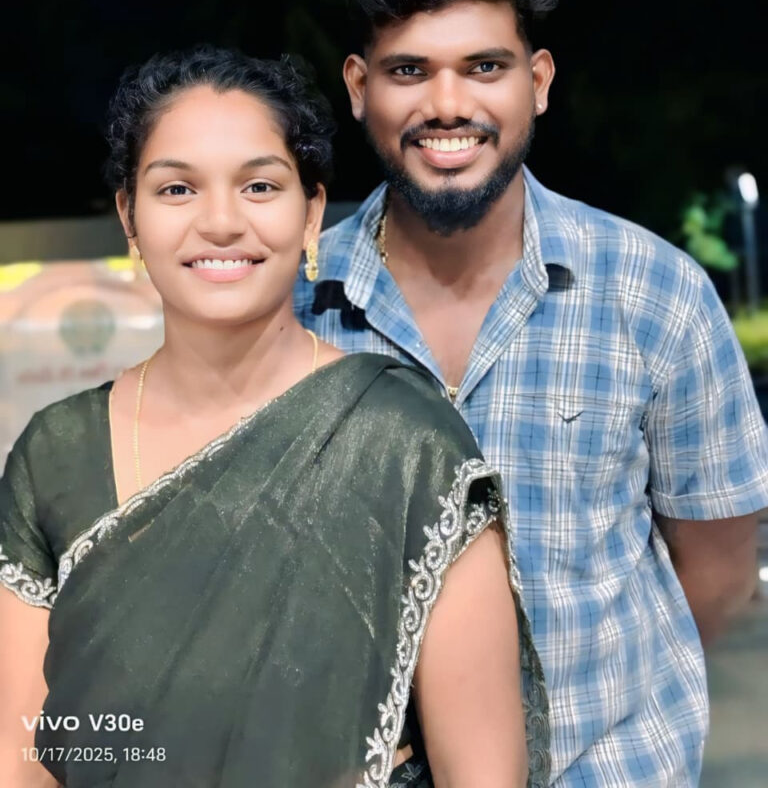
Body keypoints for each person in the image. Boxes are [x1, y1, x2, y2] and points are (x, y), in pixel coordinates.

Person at [293, 0, 768, 786]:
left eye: (485, 67)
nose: (448, 105)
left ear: (538, 82)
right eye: (409, 70)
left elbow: (719, 571)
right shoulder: (291, 305)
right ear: (358, 87)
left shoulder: (654, 295)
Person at [0, 46, 549, 788]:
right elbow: (24, 759)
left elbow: (483, 774)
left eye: (259, 186)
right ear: (130, 216)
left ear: (311, 212)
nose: (221, 222)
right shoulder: (56, 455)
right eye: (177, 189)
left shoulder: (405, 444)